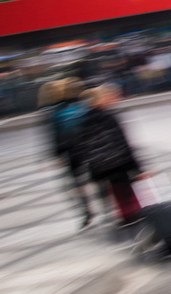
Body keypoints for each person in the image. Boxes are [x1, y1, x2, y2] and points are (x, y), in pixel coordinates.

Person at [75, 83, 145, 227]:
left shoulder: (83, 122)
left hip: (102, 167)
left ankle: (126, 218)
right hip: (119, 163)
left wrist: (93, 174)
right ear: (101, 99)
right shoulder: (109, 117)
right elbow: (122, 143)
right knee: (128, 194)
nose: (114, 99)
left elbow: (85, 149)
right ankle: (134, 218)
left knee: (118, 194)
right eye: (111, 96)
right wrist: (137, 168)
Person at [41, 78, 94, 230]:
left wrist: (57, 155)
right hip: (87, 148)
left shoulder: (55, 112)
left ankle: (86, 211)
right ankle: (102, 208)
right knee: (95, 178)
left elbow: (55, 135)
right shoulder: (82, 106)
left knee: (75, 184)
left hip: (71, 152)